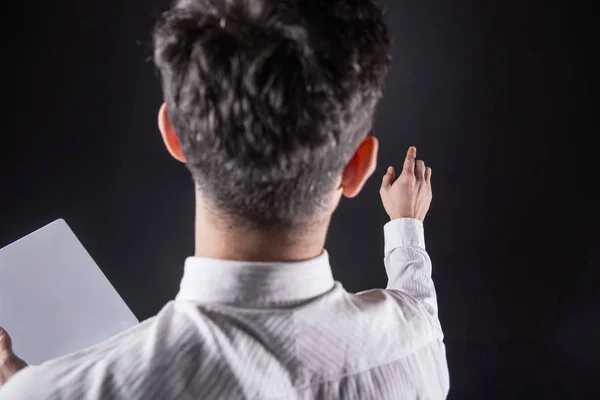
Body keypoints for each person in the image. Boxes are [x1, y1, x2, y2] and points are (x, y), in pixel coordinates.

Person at [0, 0, 449, 398]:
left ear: (175, 136)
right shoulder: (418, 349)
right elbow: (415, 299)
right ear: (358, 168)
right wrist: (406, 222)